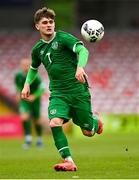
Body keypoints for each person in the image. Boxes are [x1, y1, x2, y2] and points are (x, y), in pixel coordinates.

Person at [21, 7, 103, 170]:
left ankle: (94, 122)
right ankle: (69, 161)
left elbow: (82, 50)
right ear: (37, 26)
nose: (49, 25)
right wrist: (27, 83)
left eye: (51, 22)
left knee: (88, 132)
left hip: (78, 91)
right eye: (45, 22)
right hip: (58, 94)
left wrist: (80, 67)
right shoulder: (37, 49)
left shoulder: (63, 38)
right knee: (54, 123)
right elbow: (33, 67)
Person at [15, 58, 45, 149]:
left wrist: (34, 96)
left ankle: (39, 139)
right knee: (24, 117)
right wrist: (18, 93)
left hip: (35, 100)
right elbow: (18, 85)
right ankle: (28, 139)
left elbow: (42, 89)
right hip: (24, 99)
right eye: (23, 65)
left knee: (37, 120)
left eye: (27, 65)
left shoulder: (36, 76)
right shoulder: (18, 75)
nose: (25, 67)